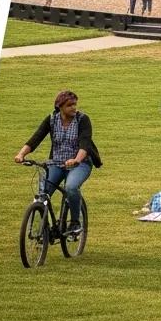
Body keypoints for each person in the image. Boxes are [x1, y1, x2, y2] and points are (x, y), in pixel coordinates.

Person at [14, 90, 102, 231]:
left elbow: (85, 144)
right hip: (56, 163)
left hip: (80, 164)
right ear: (59, 107)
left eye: (75, 104)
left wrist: (76, 160)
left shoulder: (83, 119)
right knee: (42, 194)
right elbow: (36, 138)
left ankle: (74, 223)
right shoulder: (51, 119)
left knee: (71, 188)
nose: (74, 108)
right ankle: (41, 228)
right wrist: (21, 155)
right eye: (69, 105)